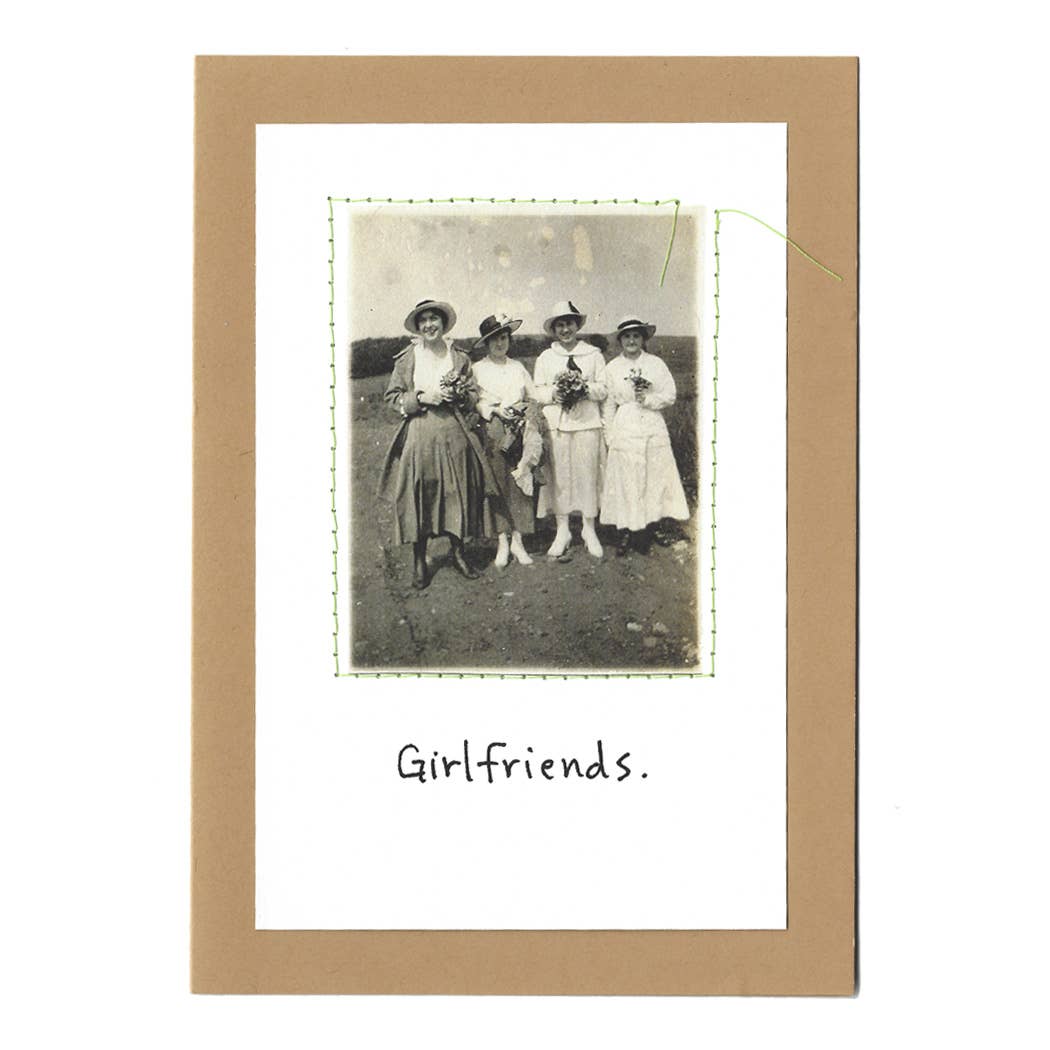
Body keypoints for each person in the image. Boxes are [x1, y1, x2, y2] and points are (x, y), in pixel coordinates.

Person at [376, 299, 495, 589]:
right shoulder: (407, 358)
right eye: (423, 320)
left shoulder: (459, 356)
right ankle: (420, 560)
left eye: (434, 319)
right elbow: (392, 397)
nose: (429, 325)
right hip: (420, 431)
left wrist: (459, 396)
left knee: (457, 491)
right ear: (418, 326)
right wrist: (419, 397)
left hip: (454, 431)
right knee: (420, 492)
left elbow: (473, 393)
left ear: (443, 323)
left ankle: (458, 553)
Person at [599, 316, 689, 555]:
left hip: (651, 424)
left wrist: (648, 399)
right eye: (627, 336)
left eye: (636, 336)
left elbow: (670, 395)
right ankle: (627, 530)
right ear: (620, 340)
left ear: (643, 339)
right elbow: (608, 405)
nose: (631, 341)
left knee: (654, 476)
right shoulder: (612, 368)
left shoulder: (655, 364)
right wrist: (610, 436)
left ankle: (651, 527)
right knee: (627, 477)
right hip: (625, 424)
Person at [532, 300, 607, 558]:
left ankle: (589, 528)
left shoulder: (594, 355)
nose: (565, 330)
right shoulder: (546, 357)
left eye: (569, 324)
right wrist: (556, 393)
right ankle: (562, 530)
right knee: (560, 477)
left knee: (588, 474)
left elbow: (603, 389)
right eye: (560, 325)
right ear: (554, 329)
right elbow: (537, 391)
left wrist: (584, 388)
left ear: (577, 326)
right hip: (558, 425)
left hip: (587, 423)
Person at [472, 313, 539, 567]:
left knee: (520, 481)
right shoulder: (477, 369)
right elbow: (473, 401)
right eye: (494, 339)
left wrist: (524, 409)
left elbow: (533, 396)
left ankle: (518, 541)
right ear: (486, 343)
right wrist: (494, 410)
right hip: (493, 431)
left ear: (509, 340)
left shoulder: (518, 367)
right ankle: (502, 540)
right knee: (497, 483)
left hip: (520, 429)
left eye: (503, 338)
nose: (499, 343)